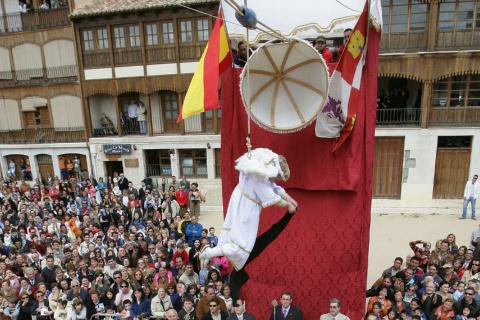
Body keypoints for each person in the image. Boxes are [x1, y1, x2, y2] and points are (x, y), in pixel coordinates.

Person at [200, 148, 297, 274]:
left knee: (237, 241)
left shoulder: (265, 177)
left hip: (245, 203)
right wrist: (288, 205)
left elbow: (275, 188)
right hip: (246, 207)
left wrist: (290, 200)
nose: (276, 181)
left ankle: (211, 253)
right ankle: (209, 252)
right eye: (278, 178)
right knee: (242, 245)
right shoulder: (258, 177)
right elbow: (271, 196)